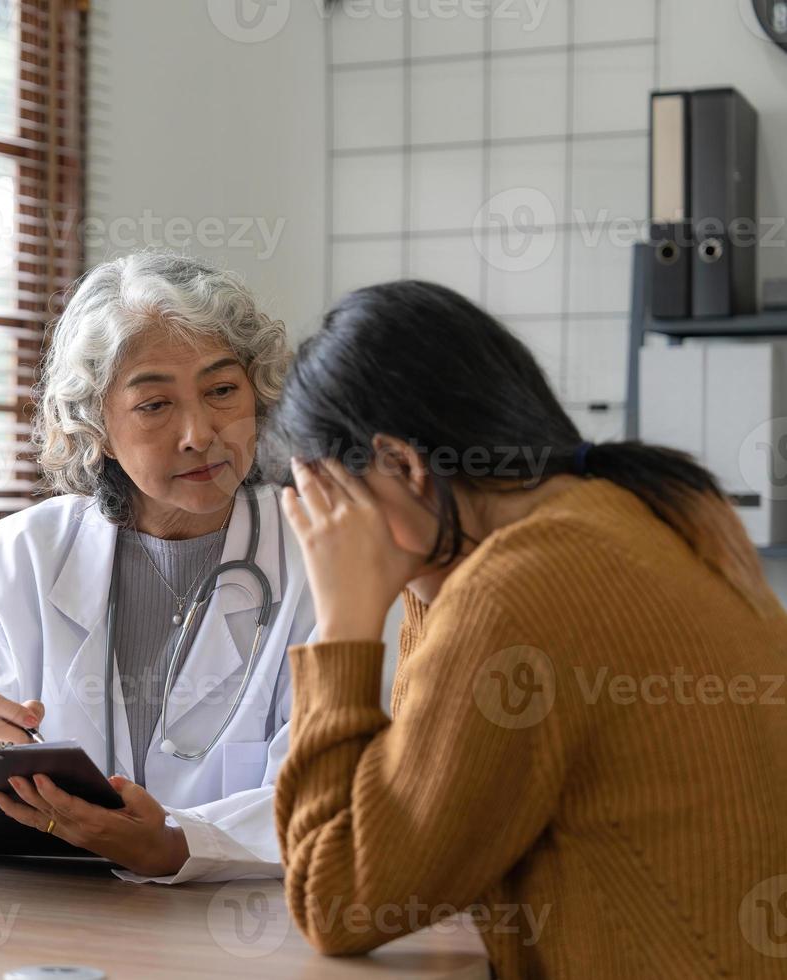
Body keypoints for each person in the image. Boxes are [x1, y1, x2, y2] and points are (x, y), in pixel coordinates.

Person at [264, 280, 787, 977]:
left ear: (402, 465)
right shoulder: (637, 511)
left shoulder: (521, 587)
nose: (326, 535)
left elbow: (338, 899)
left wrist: (343, 625)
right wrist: (416, 575)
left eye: (331, 502)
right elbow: (434, 812)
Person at [0, 251, 316, 882]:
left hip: (246, 930)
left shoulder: (319, 555)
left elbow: (336, 797)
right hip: (53, 918)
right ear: (96, 426)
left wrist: (176, 846)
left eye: (222, 391)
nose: (198, 432)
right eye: (154, 405)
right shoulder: (11, 560)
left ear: (259, 394)